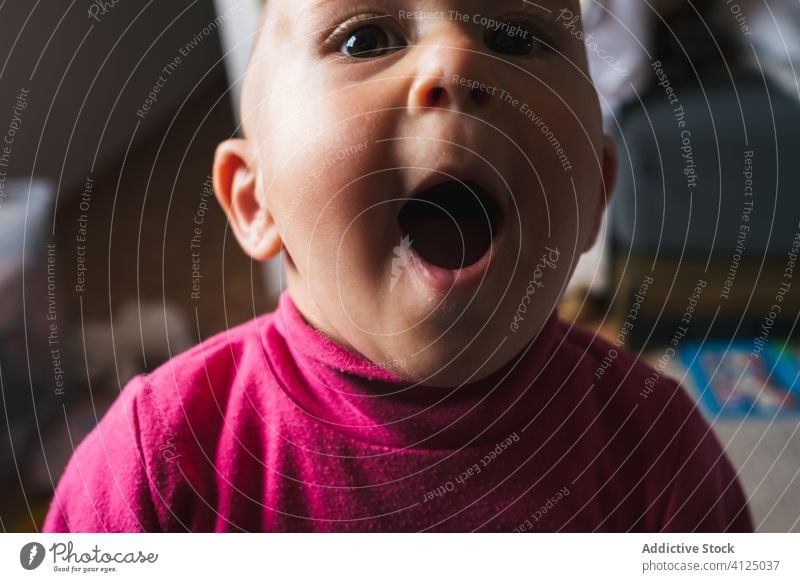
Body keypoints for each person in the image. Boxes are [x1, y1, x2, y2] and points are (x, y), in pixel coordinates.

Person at [43, 0, 752, 532]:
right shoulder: (157, 463)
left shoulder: (659, 450)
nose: (455, 62)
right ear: (257, 201)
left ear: (596, 191)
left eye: (515, 37)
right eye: (365, 38)